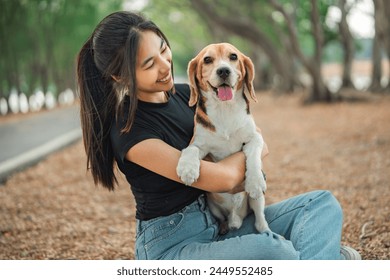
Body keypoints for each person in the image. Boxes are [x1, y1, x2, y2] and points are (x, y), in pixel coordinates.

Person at [76, 11, 361, 260]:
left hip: (222, 220)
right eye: (149, 64)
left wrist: (253, 150)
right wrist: (251, 157)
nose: (165, 66)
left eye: (164, 50)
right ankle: (325, 261)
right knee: (276, 252)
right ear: (120, 76)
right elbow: (223, 179)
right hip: (173, 246)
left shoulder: (188, 95)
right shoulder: (129, 130)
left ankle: (319, 263)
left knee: (321, 204)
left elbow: (256, 135)